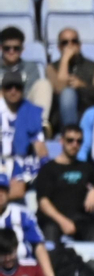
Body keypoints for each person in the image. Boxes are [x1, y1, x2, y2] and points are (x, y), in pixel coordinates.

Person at [32, 126, 94, 243]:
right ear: (61, 141)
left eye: (79, 141)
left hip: (81, 219)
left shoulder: (87, 168)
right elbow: (43, 202)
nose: (74, 144)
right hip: (53, 220)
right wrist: (63, 221)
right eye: (70, 140)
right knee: (50, 231)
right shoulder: (48, 169)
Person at [46, 28, 94, 131]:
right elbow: (59, 88)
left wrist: (82, 85)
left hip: (88, 112)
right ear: (59, 47)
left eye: (74, 41)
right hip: (61, 118)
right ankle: (71, 133)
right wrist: (65, 60)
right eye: (65, 43)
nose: (70, 45)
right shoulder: (51, 68)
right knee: (67, 93)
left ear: (80, 45)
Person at [0, 70, 44, 199]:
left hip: (21, 163)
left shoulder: (30, 111)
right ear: (2, 90)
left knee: (20, 187)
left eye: (17, 87)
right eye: (9, 87)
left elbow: (39, 144)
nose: (13, 91)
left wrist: (47, 165)